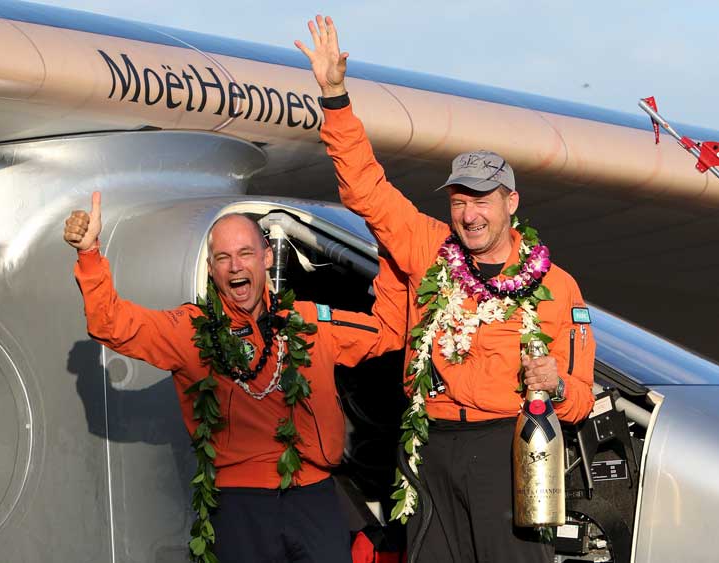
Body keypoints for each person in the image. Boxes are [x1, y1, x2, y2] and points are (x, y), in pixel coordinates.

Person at [296, 16, 596, 563]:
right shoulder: (427, 248)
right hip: (430, 443)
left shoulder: (557, 286)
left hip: (509, 448)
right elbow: (366, 189)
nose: (469, 213)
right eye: (459, 200)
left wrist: (554, 384)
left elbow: (582, 398)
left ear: (512, 202)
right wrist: (334, 96)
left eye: (482, 199)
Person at [63, 191, 407, 563]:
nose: (235, 266)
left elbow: (388, 332)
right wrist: (89, 253)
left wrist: (387, 252)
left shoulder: (308, 321)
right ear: (212, 269)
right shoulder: (191, 331)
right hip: (240, 505)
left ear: (267, 257)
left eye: (245, 253)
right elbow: (111, 323)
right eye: (223, 258)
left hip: (315, 499)